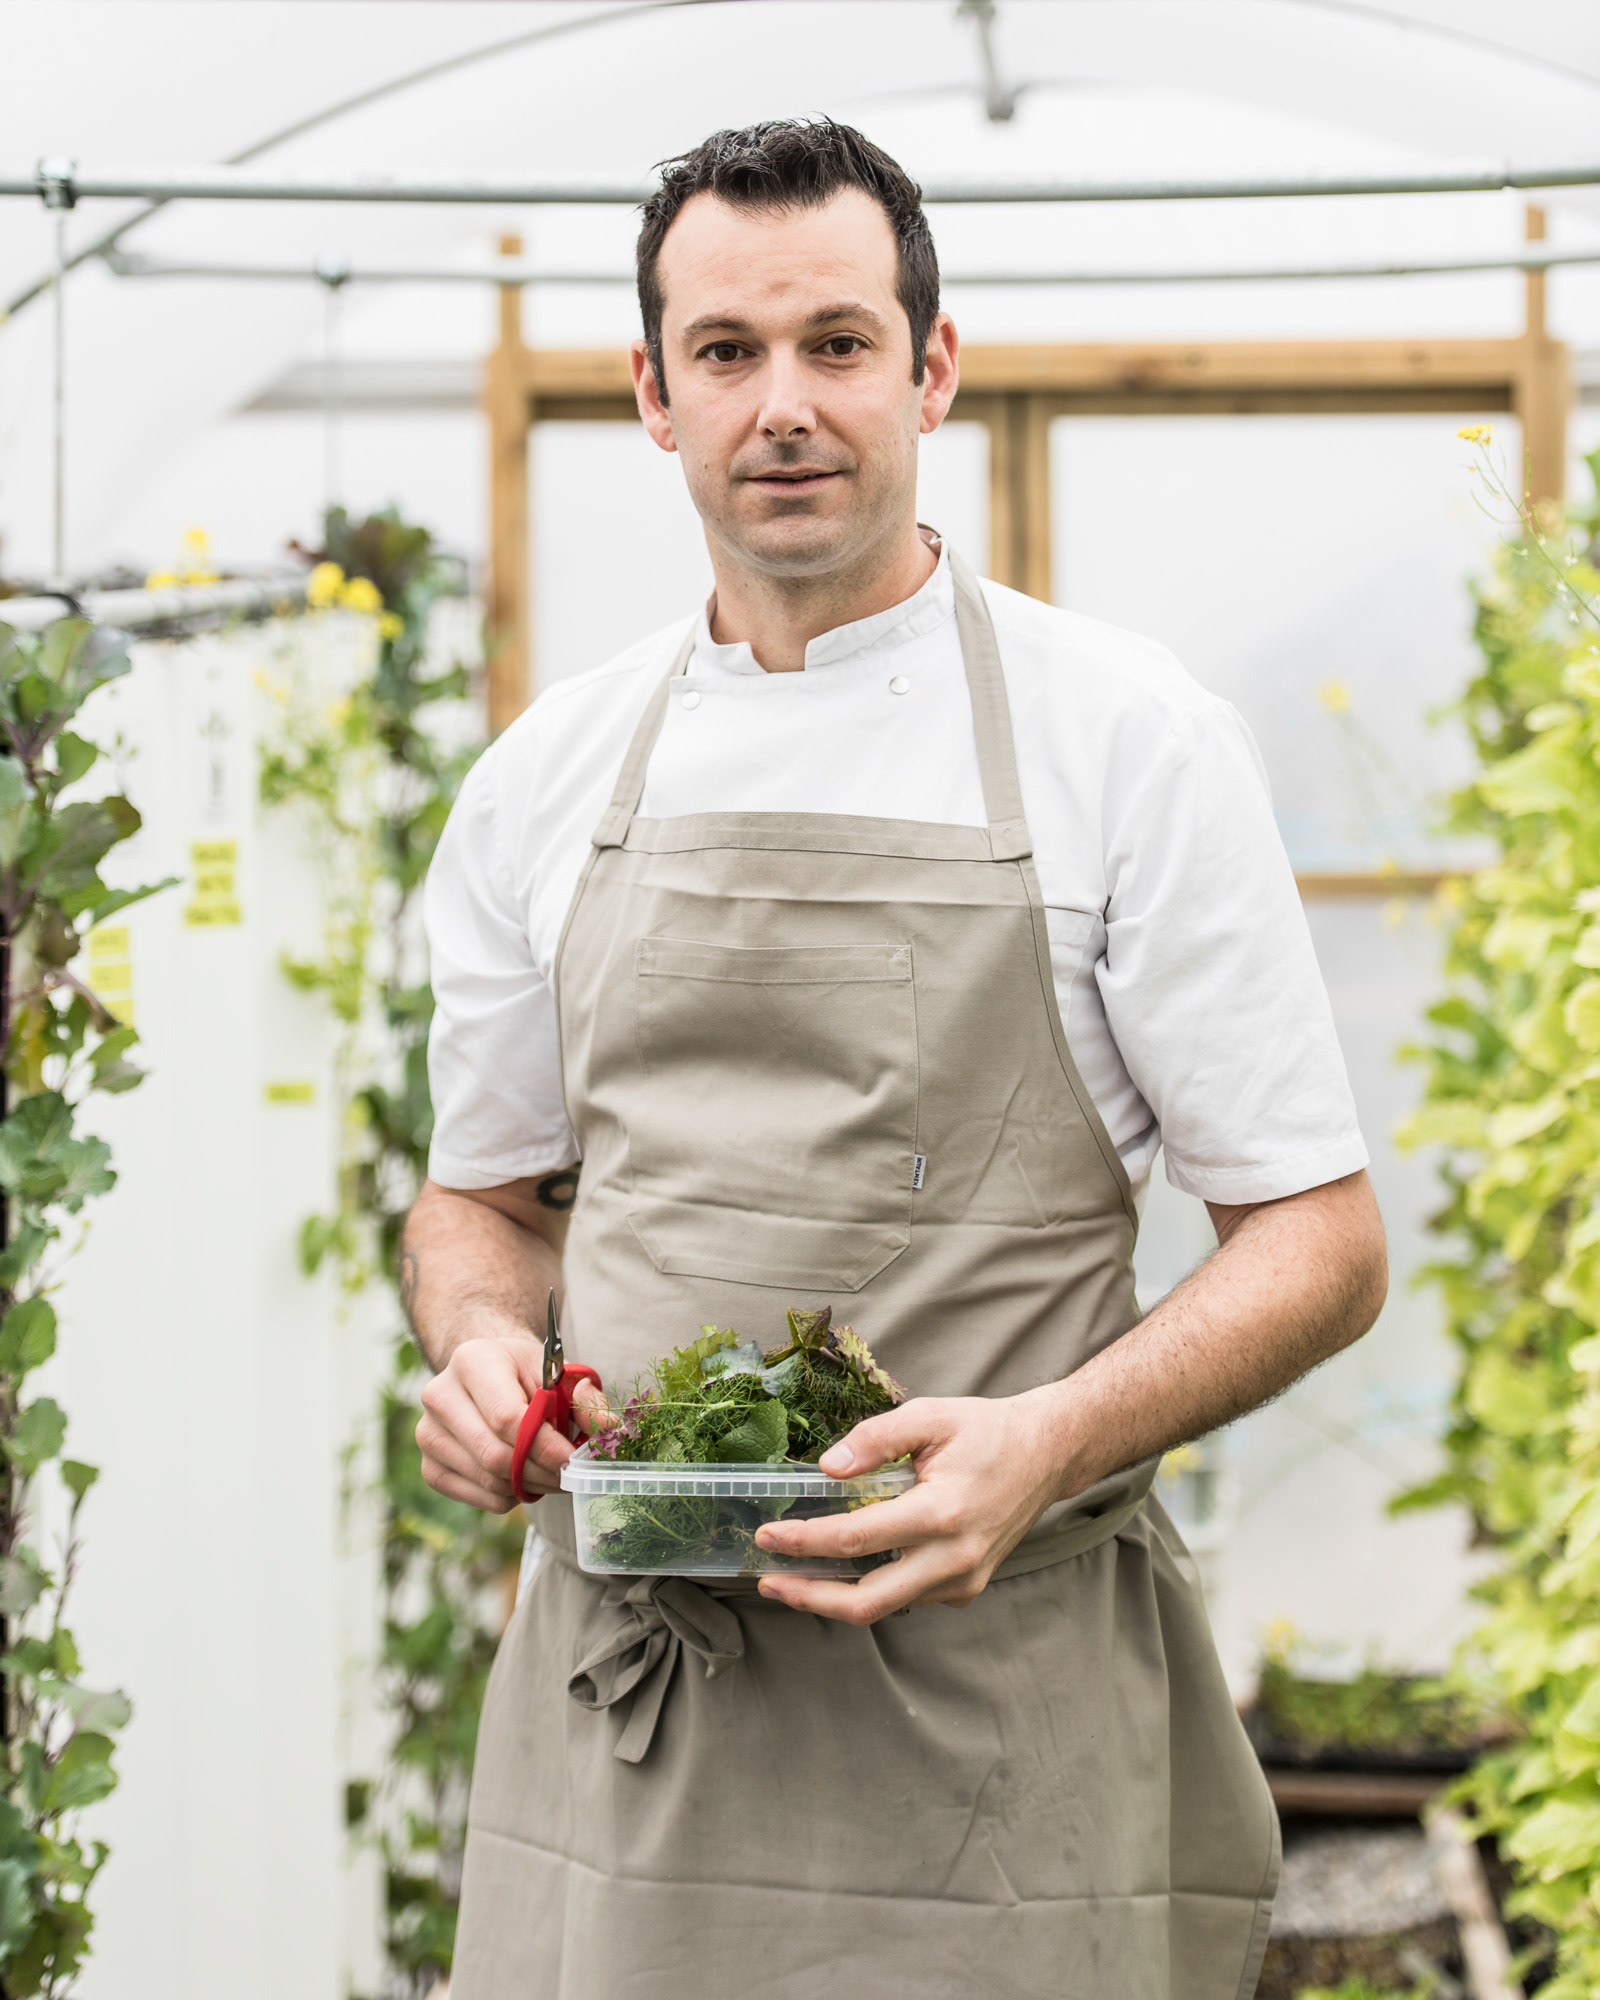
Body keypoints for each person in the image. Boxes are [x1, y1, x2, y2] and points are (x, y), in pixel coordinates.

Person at [405, 117, 1387, 2000]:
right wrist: (479, 1352)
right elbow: (480, 1202)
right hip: (642, 1734)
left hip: (997, 1723)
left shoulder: (1129, 744)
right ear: (652, 393)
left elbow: (1318, 1243)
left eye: (839, 345)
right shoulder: (544, 776)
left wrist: (1047, 1441)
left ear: (934, 371)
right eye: (728, 352)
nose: (784, 405)